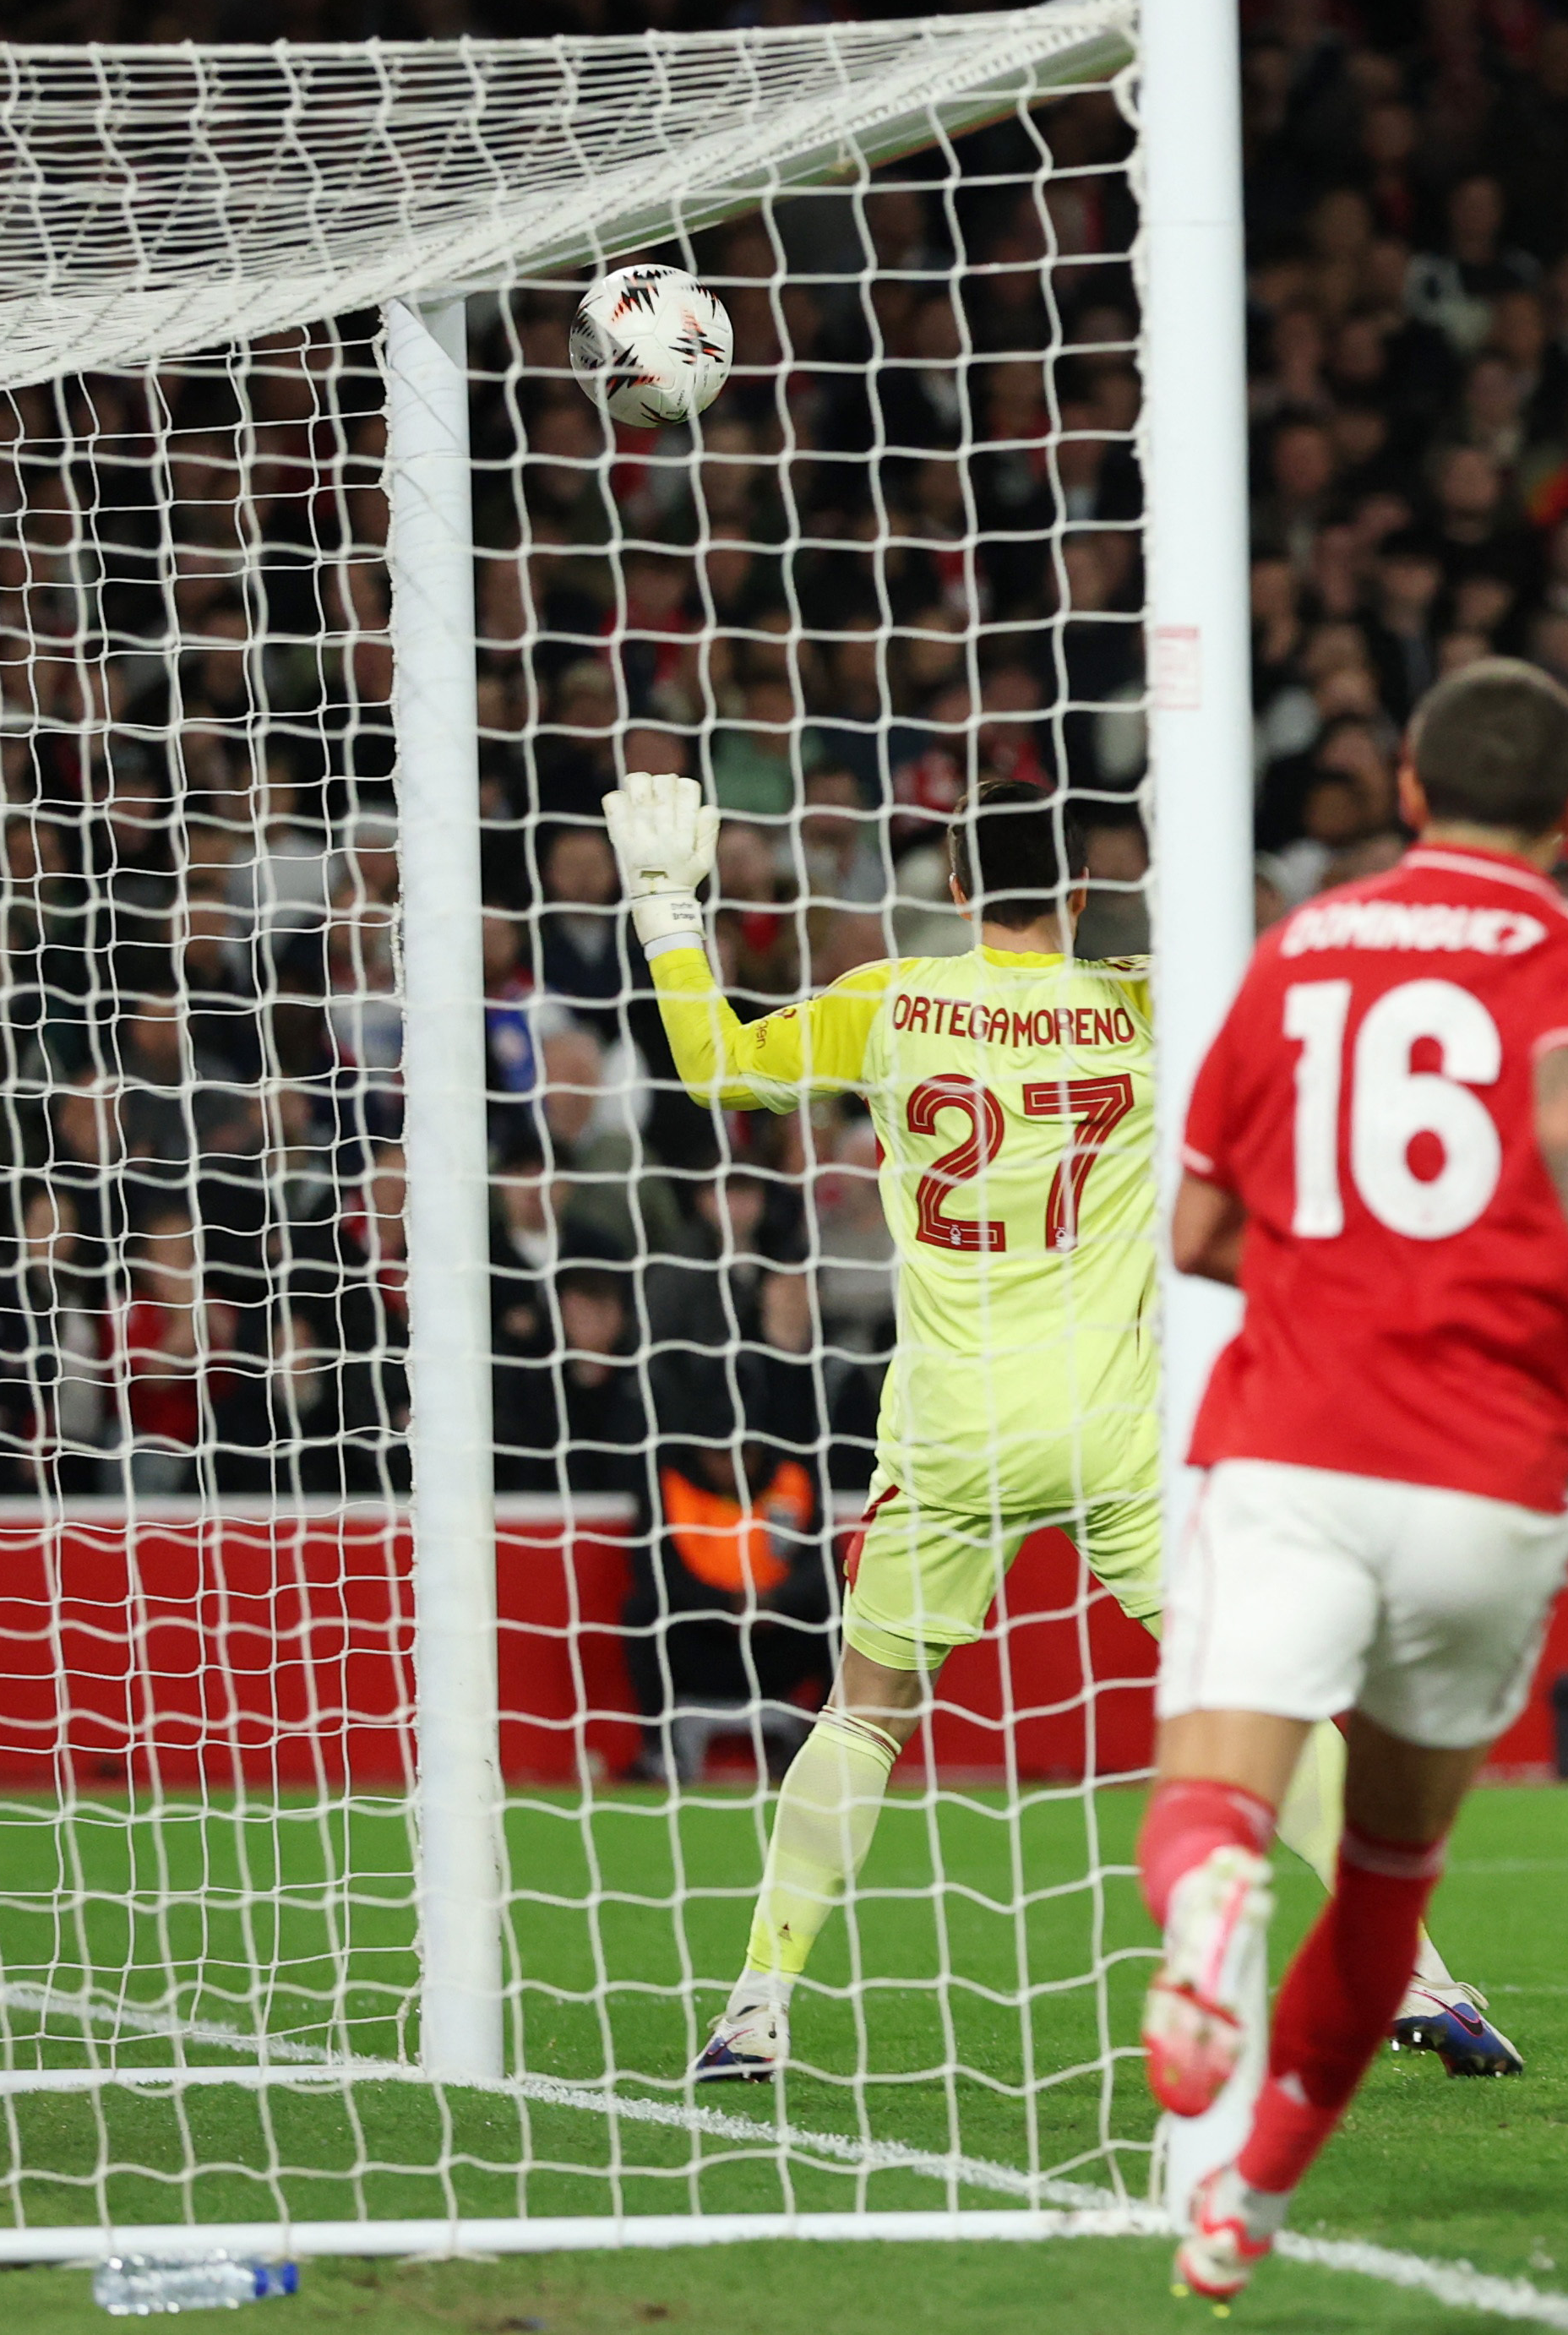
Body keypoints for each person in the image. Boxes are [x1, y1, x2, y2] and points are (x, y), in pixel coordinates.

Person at [604, 772, 1516, 2086]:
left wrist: (665, 914)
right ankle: (1417, 1972)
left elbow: (720, 1069)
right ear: (1082, 889)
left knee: (866, 1710)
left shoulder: (890, 1001)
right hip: (1112, 1420)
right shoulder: (1148, 998)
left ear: (957, 886)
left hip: (953, 1423)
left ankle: (757, 2003)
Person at [1138, 661, 1568, 2303]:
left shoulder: (1292, 951)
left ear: (1407, 793)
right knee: (1384, 1883)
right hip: (1489, 1485)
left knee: (1212, 1801)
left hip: (1292, 1447)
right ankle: (1248, 2208)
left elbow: (1198, 1233)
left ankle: (1209, 1900)